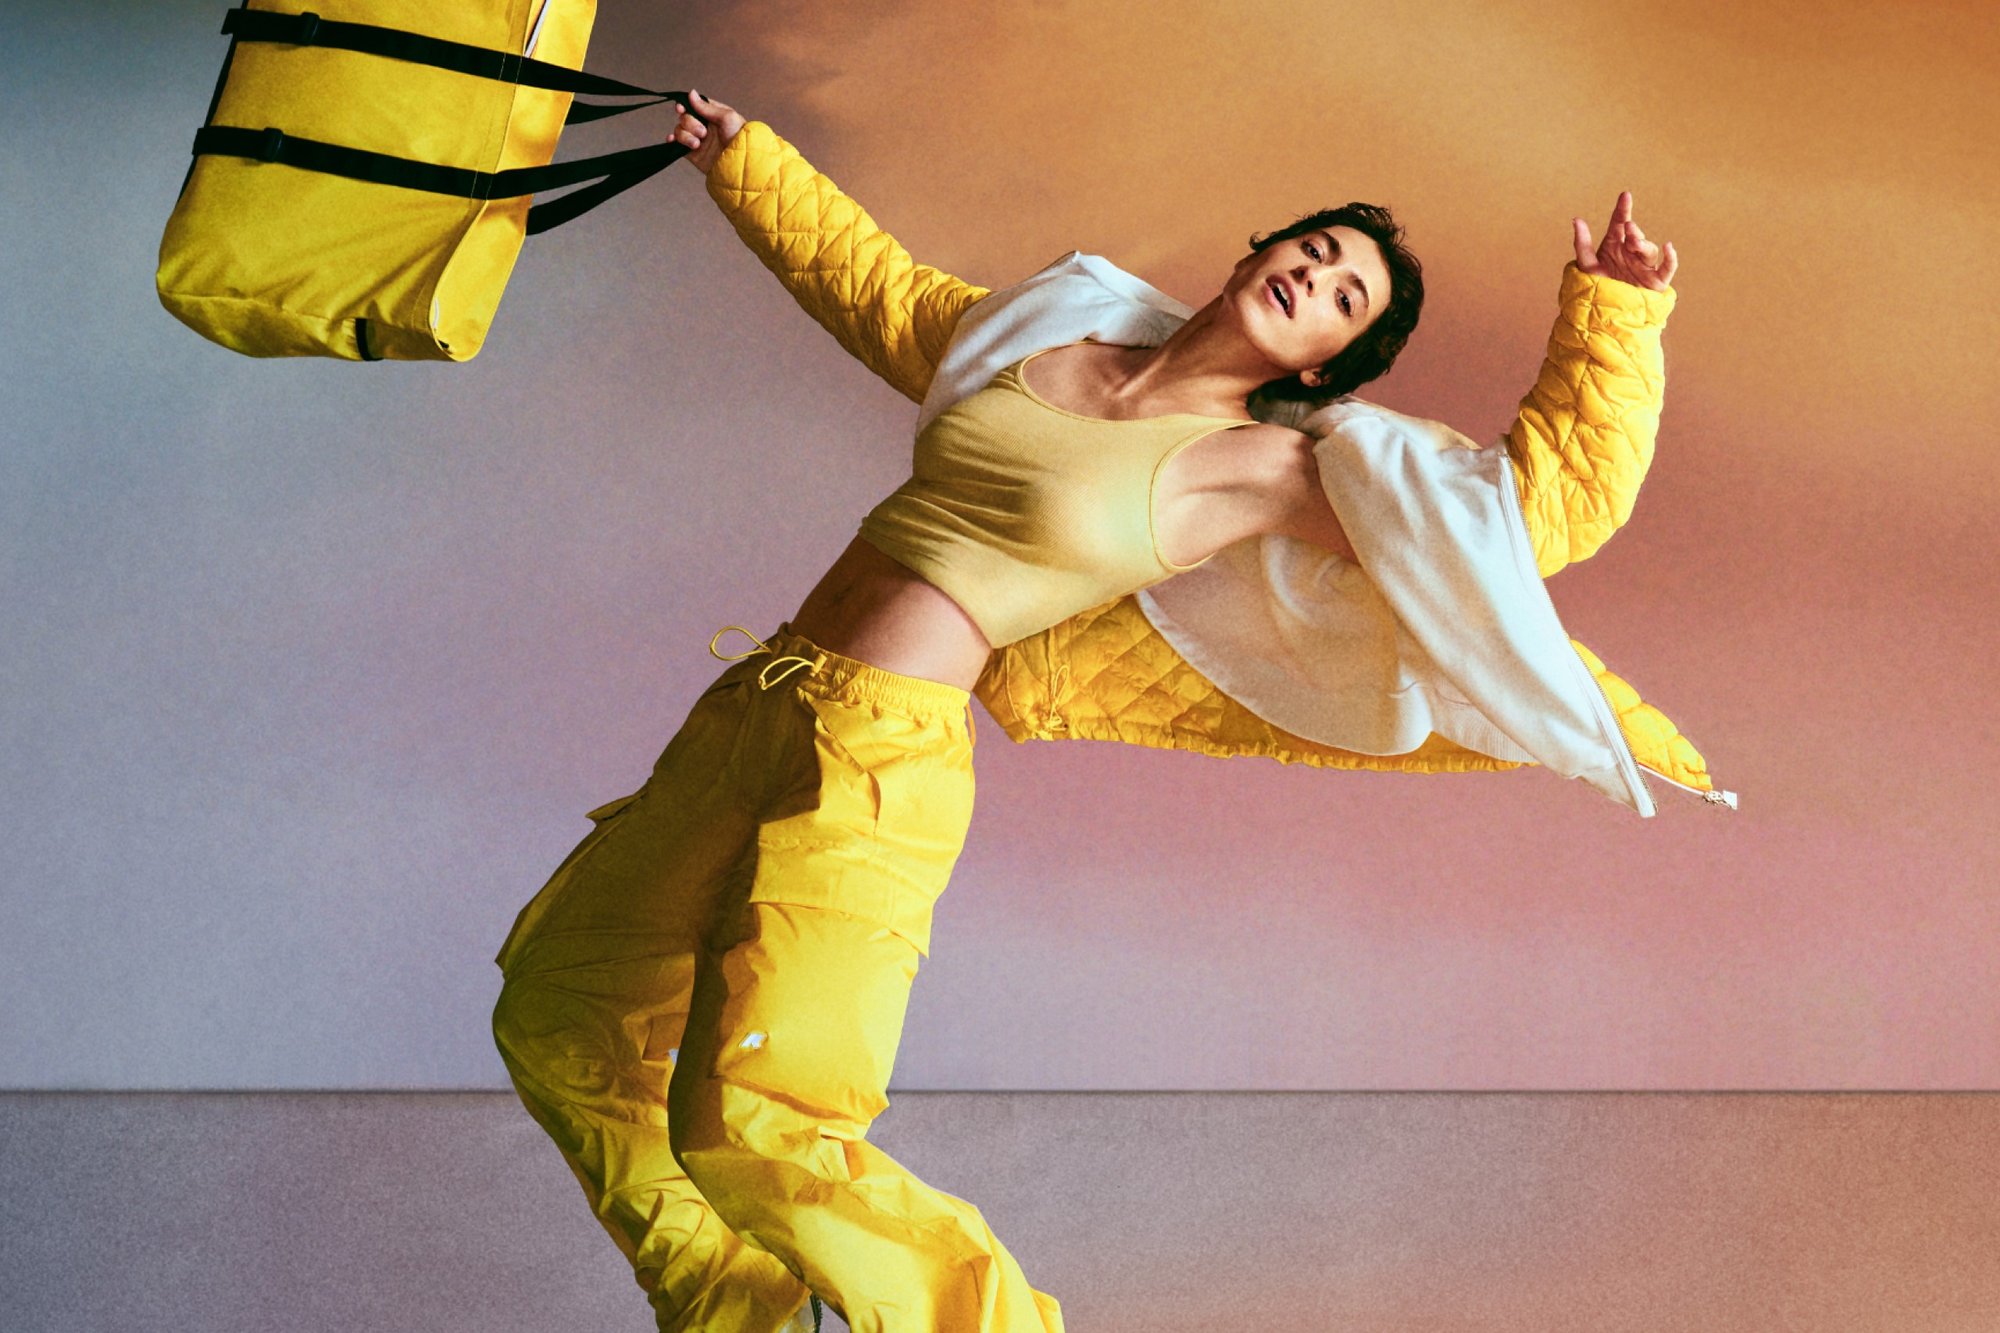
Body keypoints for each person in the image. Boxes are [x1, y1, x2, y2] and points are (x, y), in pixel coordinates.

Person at [491, 90, 1685, 1333]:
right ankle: (734, 1312)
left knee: (759, 1118)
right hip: (759, 705)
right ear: (1255, 253)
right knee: (562, 1013)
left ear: (1324, 361)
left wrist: (1613, 312)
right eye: (1315, 253)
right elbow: (879, 291)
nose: (1316, 280)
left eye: (1344, 298)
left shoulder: (1269, 468)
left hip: (878, 762)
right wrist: (747, 162)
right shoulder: (1041, 332)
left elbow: (1526, 515)